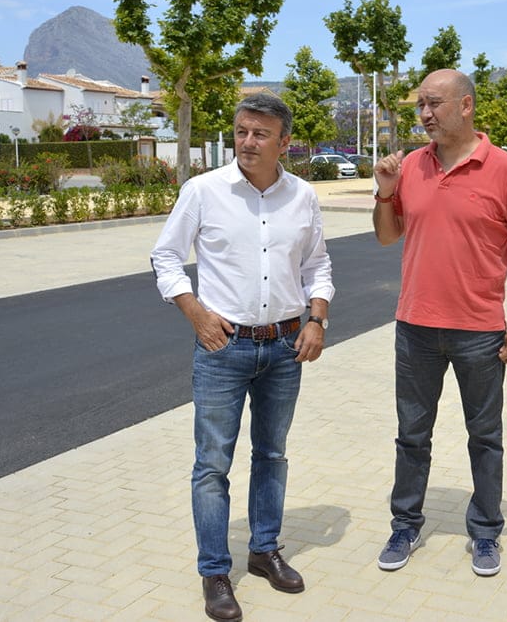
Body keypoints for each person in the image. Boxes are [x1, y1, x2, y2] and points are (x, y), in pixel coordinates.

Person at [150, 92, 334, 622]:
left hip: (285, 346)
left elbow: (317, 266)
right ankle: (215, 572)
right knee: (212, 464)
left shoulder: (302, 196)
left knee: (272, 454)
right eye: (241, 131)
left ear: (285, 142)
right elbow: (165, 256)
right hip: (222, 347)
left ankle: (264, 550)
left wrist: (317, 319)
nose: (247, 142)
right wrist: (195, 313)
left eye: (260, 134)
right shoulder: (203, 191)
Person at [371, 69, 507, 577]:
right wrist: (385, 192)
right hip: (415, 327)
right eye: (420, 105)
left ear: (465, 106)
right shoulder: (411, 166)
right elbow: (387, 236)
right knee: (411, 435)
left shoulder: (506, 170)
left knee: (485, 436)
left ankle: (485, 531)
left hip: (479, 332)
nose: (424, 114)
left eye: (435, 104)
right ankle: (405, 524)